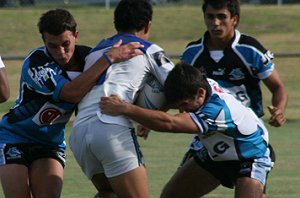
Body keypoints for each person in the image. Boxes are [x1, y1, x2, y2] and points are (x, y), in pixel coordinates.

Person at [0, 8, 143, 198]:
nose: (61, 52)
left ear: (76, 35)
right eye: (52, 46)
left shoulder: (89, 58)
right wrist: (108, 58)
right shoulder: (36, 64)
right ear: (44, 42)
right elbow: (72, 93)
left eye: (66, 44)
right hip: (14, 137)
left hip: (50, 143)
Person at [100, 62, 274, 198]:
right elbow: (171, 103)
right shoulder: (199, 85)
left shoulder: (218, 110)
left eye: (184, 105)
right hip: (216, 155)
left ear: (200, 93)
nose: (182, 110)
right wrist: (155, 114)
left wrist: (125, 108)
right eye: (179, 106)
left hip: (251, 157)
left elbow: (170, 124)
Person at [178, 0, 288, 196]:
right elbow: (180, 92)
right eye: (210, 17)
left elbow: (278, 87)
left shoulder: (250, 50)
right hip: (209, 135)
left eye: (222, 17)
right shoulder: (192, 53)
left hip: (245, 136)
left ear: (234, 19)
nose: (216, 23)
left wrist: (279, 109)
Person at [69, 0, 174, 197]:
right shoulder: (145, 48)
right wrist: (158, 112)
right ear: (147, 25)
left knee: (108, 194)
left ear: (116, 24)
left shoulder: (96, 52)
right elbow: (179, 85)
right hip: (111, 128)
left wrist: (147, 116)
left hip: (79, 133)